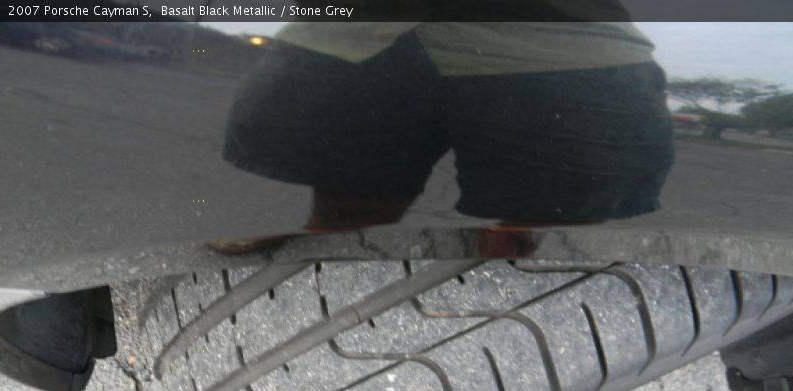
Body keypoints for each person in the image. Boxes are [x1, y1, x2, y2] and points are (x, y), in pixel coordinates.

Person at [212, 17, 674, 252]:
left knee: (567, 197)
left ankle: (514, 237)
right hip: (361, 27)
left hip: (566, 39)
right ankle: (333, 230)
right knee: (342, 189)